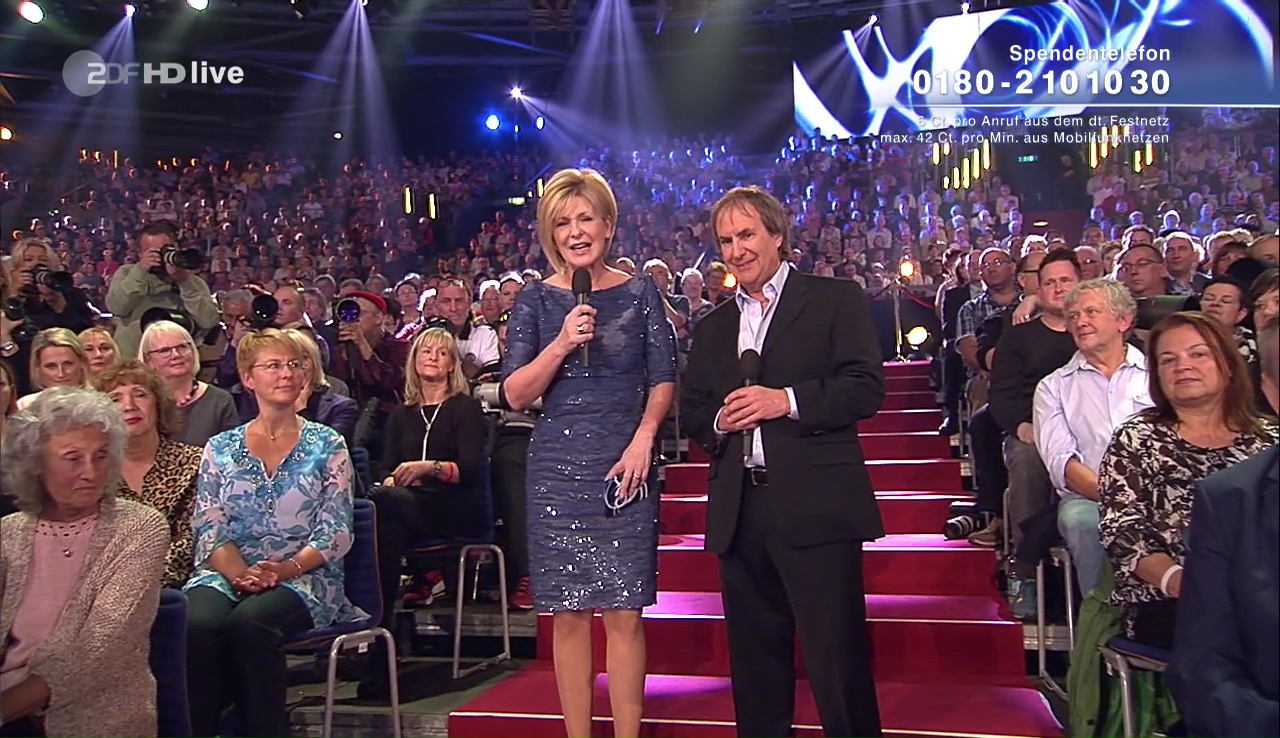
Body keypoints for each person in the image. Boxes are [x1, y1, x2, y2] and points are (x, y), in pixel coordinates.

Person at [681, 186, 886, 738]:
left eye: (747, 235)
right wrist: (720, 420)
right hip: (740, 509)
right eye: (726, 240)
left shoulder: (834, 299)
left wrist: (785, 401)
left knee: (836, 656)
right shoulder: (713, 327)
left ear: (777, 235)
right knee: (754, 665)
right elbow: (694, 410)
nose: (737, 250)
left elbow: (864, 387)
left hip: (817, 505)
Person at [502, 168, 676, 738]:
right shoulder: (535, 300)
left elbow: (663, 377)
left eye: (585, 219)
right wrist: (560, 342)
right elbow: (515, 393)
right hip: (557, 467)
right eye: (562, 223)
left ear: (608, 224)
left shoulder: (640, 292)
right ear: (550, 234)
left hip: (627, 463)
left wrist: (645, 437)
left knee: (625, 611)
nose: (575, 232)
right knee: (569, 614)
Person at [183, 328, 363, 738]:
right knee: (197, 623)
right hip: (228, 572)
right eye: (274, 365)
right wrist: (240, 574)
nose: (287, 373)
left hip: (306, 576)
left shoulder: (328, 444)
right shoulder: (219, 448)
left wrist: (284, 570)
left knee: (251, 623)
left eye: (295, 365)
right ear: (248, 378)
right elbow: (209, 526)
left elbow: (336, 530)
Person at [1097, 312, 1276, 647]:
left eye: (1198, 354)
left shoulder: (1268, 440)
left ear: (1228, 365)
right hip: (1174, 601)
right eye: (1169, 360)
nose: (1183, 366)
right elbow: (1122, 531)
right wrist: (1180, 581)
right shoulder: (1136, 439)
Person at [0, 388, 169, 738]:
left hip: (97, 713)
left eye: (102, 455)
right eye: (73, 458)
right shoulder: (8, 533)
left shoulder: (140, 527)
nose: (91, 472)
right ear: (36, 464)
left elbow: (100, 647)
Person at [360, 326, 489, 699]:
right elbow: (386, 465)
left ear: (451, 365)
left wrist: (428, 468)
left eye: (441, 353)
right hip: (406, 507)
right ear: (414, 362)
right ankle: (381, 649)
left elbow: (471, 471)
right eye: (425, 352)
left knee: (376, 505)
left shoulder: (464, 408)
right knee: (386, 531)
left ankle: (371, 644)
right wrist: (391, 479)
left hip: (454, 507)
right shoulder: (402, 414)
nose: (432, 357)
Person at [1167, 315, 1279, 738]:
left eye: (1198, 355)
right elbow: (1205, 667)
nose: (1184, 366)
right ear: (1271, 389)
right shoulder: (1228, 502)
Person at [96, 360, 203, 588]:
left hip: (181, 587)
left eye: (140, 394)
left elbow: (192, 540)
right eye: (115, 399)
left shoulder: (196, 462)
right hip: (107, 589)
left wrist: (138, 581)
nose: (129, 406)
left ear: (158, 404)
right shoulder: (94, 473)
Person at [106, 222, 220, 358]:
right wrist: (140, 272)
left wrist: (184, 283)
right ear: (140, 253)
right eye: (153, 252)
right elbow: (117, 307)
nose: (161, 256)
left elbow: (209, 321)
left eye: (166, 249)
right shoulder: (127, 273)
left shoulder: (193, 282)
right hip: (133, 359)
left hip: (176, 358)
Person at [139, 320, 239, 448]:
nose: (176, 355)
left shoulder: (220, 401)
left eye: (182, 347)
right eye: (165, 350)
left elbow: (230, 453)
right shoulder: (141, 403)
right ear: (148, 360)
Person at [16, 328, 91, 411]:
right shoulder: (25, 406)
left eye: (68, 364)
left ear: (82, 363)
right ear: (38, 368)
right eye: (51, 366)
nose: (61, 374)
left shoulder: (98, 405)